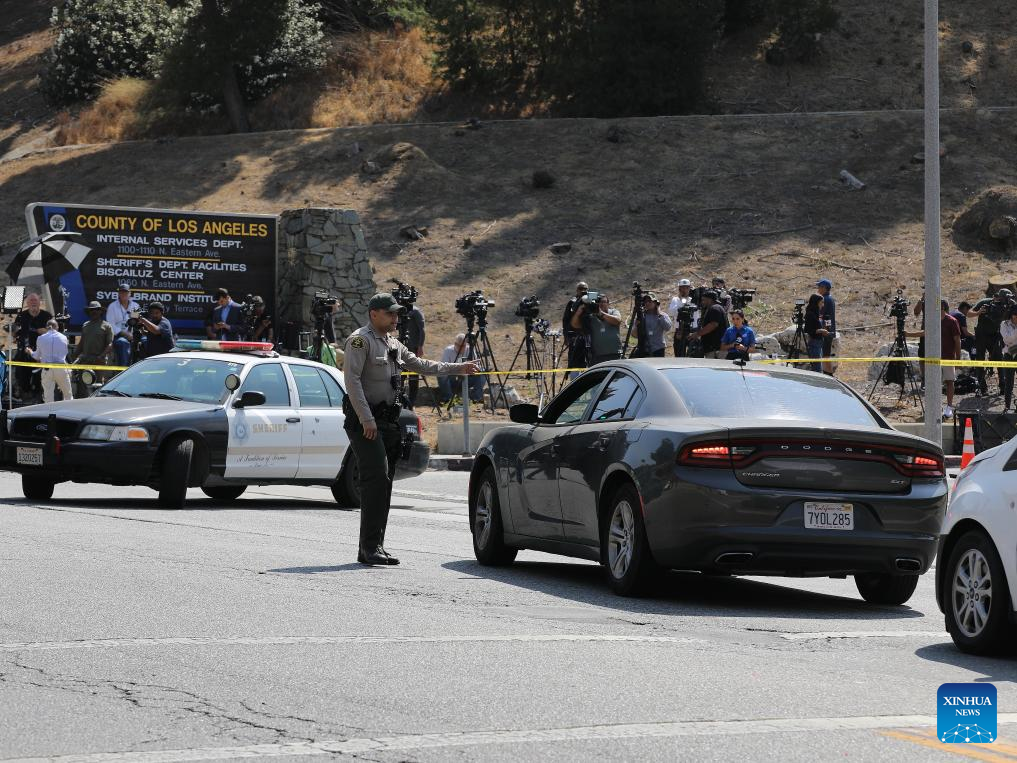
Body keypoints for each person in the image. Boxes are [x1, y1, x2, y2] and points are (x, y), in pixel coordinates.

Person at [343, 294, 481, 566]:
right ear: (374, 314)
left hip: (388, 421)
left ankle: (375, 546)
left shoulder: (392, 343)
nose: (395, 318)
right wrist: (366, 419)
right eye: (390, 313)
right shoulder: (360, 340)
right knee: (375, 479)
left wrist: (459, 368)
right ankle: (369, 548)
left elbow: (422, 365)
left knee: (384, 482)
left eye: (397, 314)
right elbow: (352, 381)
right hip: (366, 422)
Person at [906, 300, 961, 418]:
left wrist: (958, 358)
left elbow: (957, 340)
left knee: (949, 381)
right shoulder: (932, 321)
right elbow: (925, 333)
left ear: (943, 307)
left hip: (948, 357)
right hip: (933, 358)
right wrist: (909, 334)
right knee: (933, 383)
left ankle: (949, 407)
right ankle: (935, 406)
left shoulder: (952, 321)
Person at [970, 288, 1011, 395]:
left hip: (995, 336)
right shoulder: (985, 303)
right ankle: (982, 388)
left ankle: (1003, 386)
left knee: (999, 360)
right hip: (981, 335)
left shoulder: (1007, 306)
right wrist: (979, 312)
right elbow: (969, 313)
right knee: (980, 360)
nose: (1000, 303)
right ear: (995, 297)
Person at [14, 292, 53, 402]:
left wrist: (46, 331)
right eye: (31, 300)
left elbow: (55, 332)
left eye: (35, 300)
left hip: (42, 352)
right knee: (22, 377)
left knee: (40, 378)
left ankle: (38, 397)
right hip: (24, 352)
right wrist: (12, 331)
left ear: (39, 302)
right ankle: (25, 396)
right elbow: (15, 333)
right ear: (27, 303)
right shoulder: (21, 316)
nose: (33, 303)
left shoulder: (47, 316)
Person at [74, 301, 113, 397]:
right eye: (91, 310)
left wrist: (101, 356)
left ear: (100, 312)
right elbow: (82, 342)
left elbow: (110, 344)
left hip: (99, 361)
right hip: (85, 360)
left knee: (98, 385)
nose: (94, 312)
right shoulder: (85, 325)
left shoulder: (107, 326)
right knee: (83, 385)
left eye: (96, 310)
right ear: (88, 312)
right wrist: (75, 355)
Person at [29, 319, 71, 403]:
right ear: (57, 327)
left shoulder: (40, 338)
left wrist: (30, 352)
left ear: (46, 328)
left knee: (48, 397)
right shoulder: (64, 337)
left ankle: (49, 411)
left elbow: (36, 356)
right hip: (61, 368)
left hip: (47, 370)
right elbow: (65, 353)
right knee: (68, 395)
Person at [437, 334, 485, 404]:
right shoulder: (448, 350)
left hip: (467, 378)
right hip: (452, 379)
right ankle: (448, 399)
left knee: (483, 373)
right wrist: (458, 369)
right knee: (441, 374)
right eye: (459, 345)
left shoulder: (470, 349)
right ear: (455, 344)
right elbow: (443, 367)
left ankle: (476, 397)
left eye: (463, 346)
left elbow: (476, 366)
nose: (461, 348)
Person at [579, 294, 624, 365]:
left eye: (603, 302)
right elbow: (575, 325)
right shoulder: (591, 316)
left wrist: (601, 313)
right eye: (599, 302)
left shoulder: (613, 312)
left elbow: (617, 321)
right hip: (598, 356)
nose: (601, 304)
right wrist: (579, 311)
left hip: (615, 353)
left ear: (608, 303)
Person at [106, 283, 139, 367]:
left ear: (129, 293)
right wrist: (124, 333)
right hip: (118, 335)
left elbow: (135, 322)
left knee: (145, 341)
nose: (123, 294)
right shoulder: (112, 306)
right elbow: (110, 325)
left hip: (132, 334)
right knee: (122, 342)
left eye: (126, 292)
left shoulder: (135, 306)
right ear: (118, 293)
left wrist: (131, 334)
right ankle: (123, 369)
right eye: (121, 292)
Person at [690, 290, 728, 359]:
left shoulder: (715, 308)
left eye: (704, 300)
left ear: (710, 300)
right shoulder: (715, 308)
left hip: (715, 348)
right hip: (713, 348)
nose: (702, 302)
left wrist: (697, 334)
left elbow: (713, 325)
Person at [562, 282, 590, 374]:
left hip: (588, 336)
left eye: (585, 289)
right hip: (575, 337)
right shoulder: (572, 302)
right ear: (577, 290)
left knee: (590, 361)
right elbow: (566, 320)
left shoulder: (590, 302)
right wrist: (566, 337)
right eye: (581, 289)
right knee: (574, 362)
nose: (583, 291)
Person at [636, 293, 672, 357]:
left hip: (658, 349)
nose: (647, 303)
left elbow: (667, 327)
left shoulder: (663, 315)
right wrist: (637, 326)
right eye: (645, 302)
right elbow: (634, 334)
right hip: (644, 349)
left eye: (650, 301)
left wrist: (659, 314)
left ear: (656, 303)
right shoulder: (641, 316)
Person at [404, 303, 425, 408]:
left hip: (414, 348)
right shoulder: (401, 311)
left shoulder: (416, 311)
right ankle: (401, 402)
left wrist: (420, 346)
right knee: (401, 376)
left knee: (413, 377)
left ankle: (411, 403)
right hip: (402, 347)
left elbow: (422, 330)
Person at [668, 278, 697, 356]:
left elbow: (696, 313)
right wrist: (681, 302)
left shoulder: (693, 300)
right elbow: (671, 312)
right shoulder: (675, 299)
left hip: (692, 330)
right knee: (679, 353)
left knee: (693, 354)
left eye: (687, 287)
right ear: (679, 288)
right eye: (682, 287)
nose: (684, 290)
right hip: (680, 330)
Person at [804, 293, 829, 373]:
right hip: (814, 343)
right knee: (817, 368)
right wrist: (821, 330)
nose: (823, 305)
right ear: (816, 302)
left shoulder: (816, 313)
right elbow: (808, 330)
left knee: (818, 366)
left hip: (819, 342)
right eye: (821, 302)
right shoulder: (810, 314)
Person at [817, 278, 837, 375]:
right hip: (828, 330)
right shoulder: (830, 298)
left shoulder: (825, 299)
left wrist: (825, 330)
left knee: (825, 355)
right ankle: (828, 374)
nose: (818, 289)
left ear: (824, 288)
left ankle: (829, 375)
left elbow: (823, 315)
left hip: (826, 331)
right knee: (825, 354)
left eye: (819, 287)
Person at [1000, 306, 1017, 412]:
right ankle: (1007, 406)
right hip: (1008, 355)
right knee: (1009, 382)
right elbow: (1006, 339)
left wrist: (1012, 340)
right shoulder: (1004, 324)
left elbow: (1011, 340)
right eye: (1015, 315)